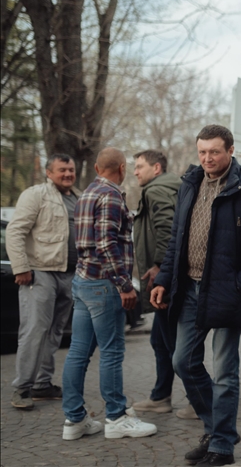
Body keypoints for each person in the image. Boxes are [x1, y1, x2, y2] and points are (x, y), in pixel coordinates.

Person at [150, 125, 241, 467]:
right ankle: (215, 428)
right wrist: (164, 278)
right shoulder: (190, 184)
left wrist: (239, 286)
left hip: (226, 293)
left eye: (215, 152)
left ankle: (222, 445)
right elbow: (177, 239)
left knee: (225, 372)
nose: (208, 158)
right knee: (182, 361)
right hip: (189, 290)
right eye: (202, 152)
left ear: (231, 150)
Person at [61, 147, 158, 441]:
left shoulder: (85, 194)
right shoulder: (112, 195)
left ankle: (75, 420)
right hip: (104, 285)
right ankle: (116, 417)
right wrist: (125, 285)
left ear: (95, 167)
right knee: (112, 353)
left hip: (83, 281)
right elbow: (105, 243)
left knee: (78, 353)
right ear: (122, 168)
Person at [128, 150, 197, 419]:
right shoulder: (170, 186)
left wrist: (159, 266)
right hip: (168, 276)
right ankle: (161, 397)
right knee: (160, 339)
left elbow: (169, 229)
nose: (135, 172)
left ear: (156, 168)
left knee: (172, 342)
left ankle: (197, 400)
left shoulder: (156, 190)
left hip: (163, 279)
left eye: (139, 167)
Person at [6, 154, 79, 410]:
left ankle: (42, 385)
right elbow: (15, 231)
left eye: (71, 169)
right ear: (49, 173)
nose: (68, 174)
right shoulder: (35, 195)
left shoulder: (77, 198)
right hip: (40, 273)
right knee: (34, 330)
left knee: (55, 332)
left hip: (70, 274)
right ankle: (22, 388)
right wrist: (21, 267)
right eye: (62, 170)